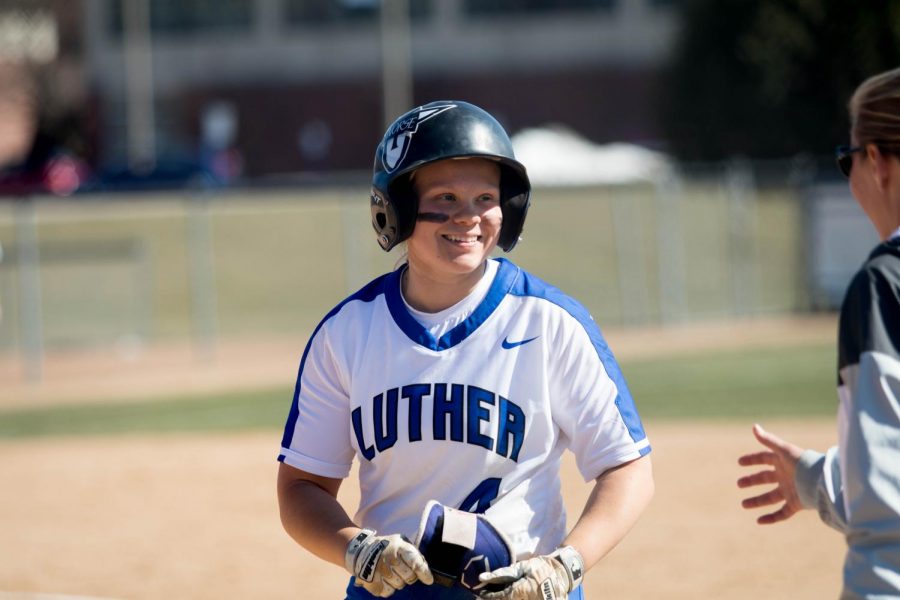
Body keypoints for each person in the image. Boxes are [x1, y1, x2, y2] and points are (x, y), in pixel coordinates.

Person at [276, 100, 654, 600]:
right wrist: (357, 550)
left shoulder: (548, 322)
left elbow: (626, 467)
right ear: (396, 207)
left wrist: (564, 565)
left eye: (485, 198)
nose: (469, 217)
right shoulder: (348, 333)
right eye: (446, 197)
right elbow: (301, 488)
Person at [737, 67, 900, 598]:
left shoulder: (884, 284)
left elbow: (888, 502)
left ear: (876, 161)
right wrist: (817, 480)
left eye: (847, 157)